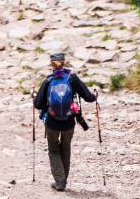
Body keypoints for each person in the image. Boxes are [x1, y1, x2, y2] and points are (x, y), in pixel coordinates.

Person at [33, 52, 97, 191]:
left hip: (52, 122)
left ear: (51, 64)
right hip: (69, 121)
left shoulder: (48, 80)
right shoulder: (72, 78)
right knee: (66, 148)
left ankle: (60, 181)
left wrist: (34, 96)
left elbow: (38, 104)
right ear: (64, 62)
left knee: (53, 150)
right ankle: (62, 180)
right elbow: (88, 97)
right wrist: (95, 95)